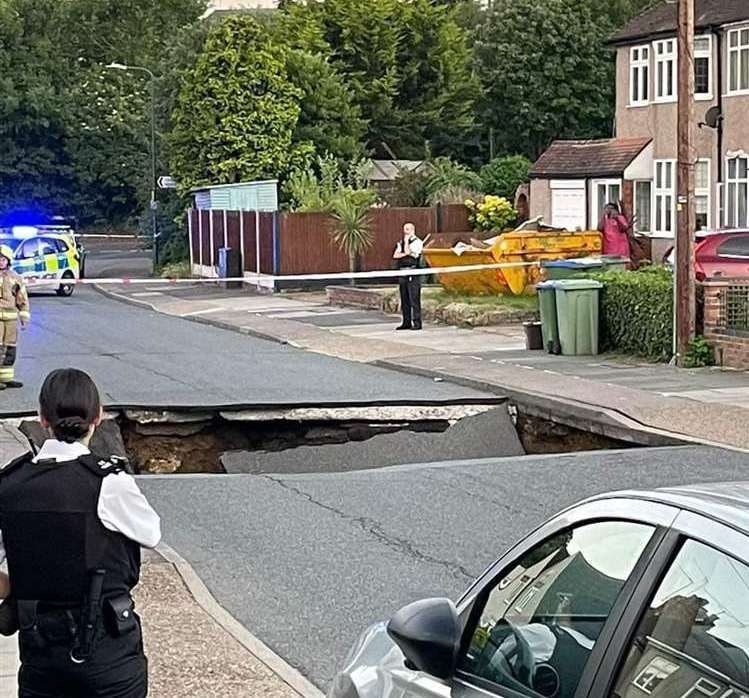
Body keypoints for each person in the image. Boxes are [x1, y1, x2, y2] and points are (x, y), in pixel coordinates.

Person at [0, 368, 161, 698]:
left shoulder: (9, 484)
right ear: (98, 416)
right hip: (109, 656)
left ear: (42, 418)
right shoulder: (109, 483)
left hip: (40, 657)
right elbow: (151, 533)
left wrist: (22, 583)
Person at [0, 244, 30, 390]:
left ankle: (6, 378)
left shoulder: (15, 278)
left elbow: (22, 298)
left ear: (8, 261)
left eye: (3, 259)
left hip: (11, 320)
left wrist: (24, 316)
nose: (1, 261)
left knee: (10, 348)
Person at [392, 222, 424, 331]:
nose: (406, 232)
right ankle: (406, 322)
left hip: (413, 273)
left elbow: (408, 251)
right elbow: (396, 255)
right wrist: (406, 252)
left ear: (413, 230)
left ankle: (417, 322)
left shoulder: (417, 242)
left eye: (408, 229)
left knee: (414, 298)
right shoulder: (400, 242)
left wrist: (406, 244)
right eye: (405, 229)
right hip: (402, 273)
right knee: (404, 298)